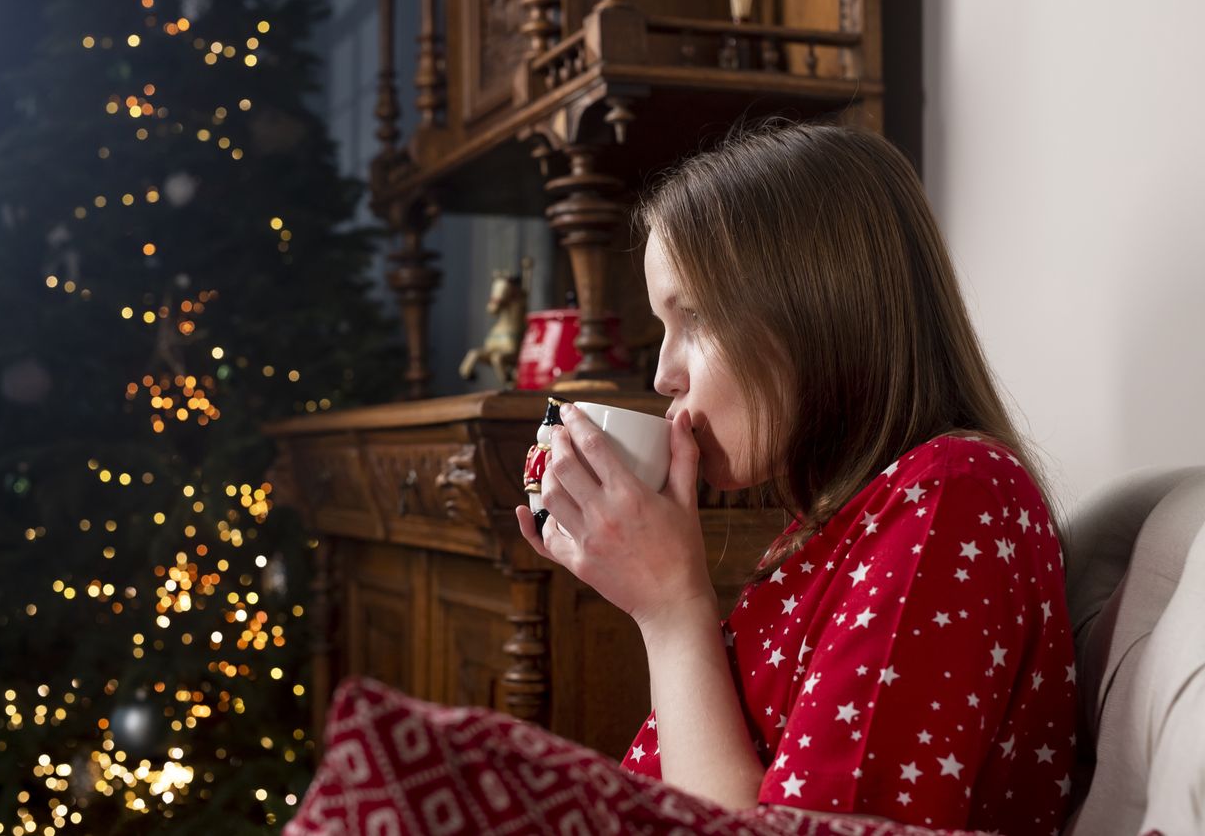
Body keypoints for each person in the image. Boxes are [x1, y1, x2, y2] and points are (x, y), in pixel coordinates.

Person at [285, 120, 1077, 836]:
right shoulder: (830, 529)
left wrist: (671, 609)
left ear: (817, 311)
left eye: (693, 319)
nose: (662, 373)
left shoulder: (955, 491)